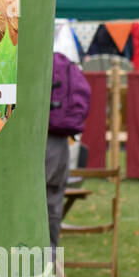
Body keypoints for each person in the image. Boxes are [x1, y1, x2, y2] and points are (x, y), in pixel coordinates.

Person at [46, 50, 91, 260]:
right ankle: (49, 270)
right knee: (53, 206)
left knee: (33, 202)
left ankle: (31, 272)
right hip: (61, 144)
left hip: (41, 141)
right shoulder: (61, 61)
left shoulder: (34, 61)